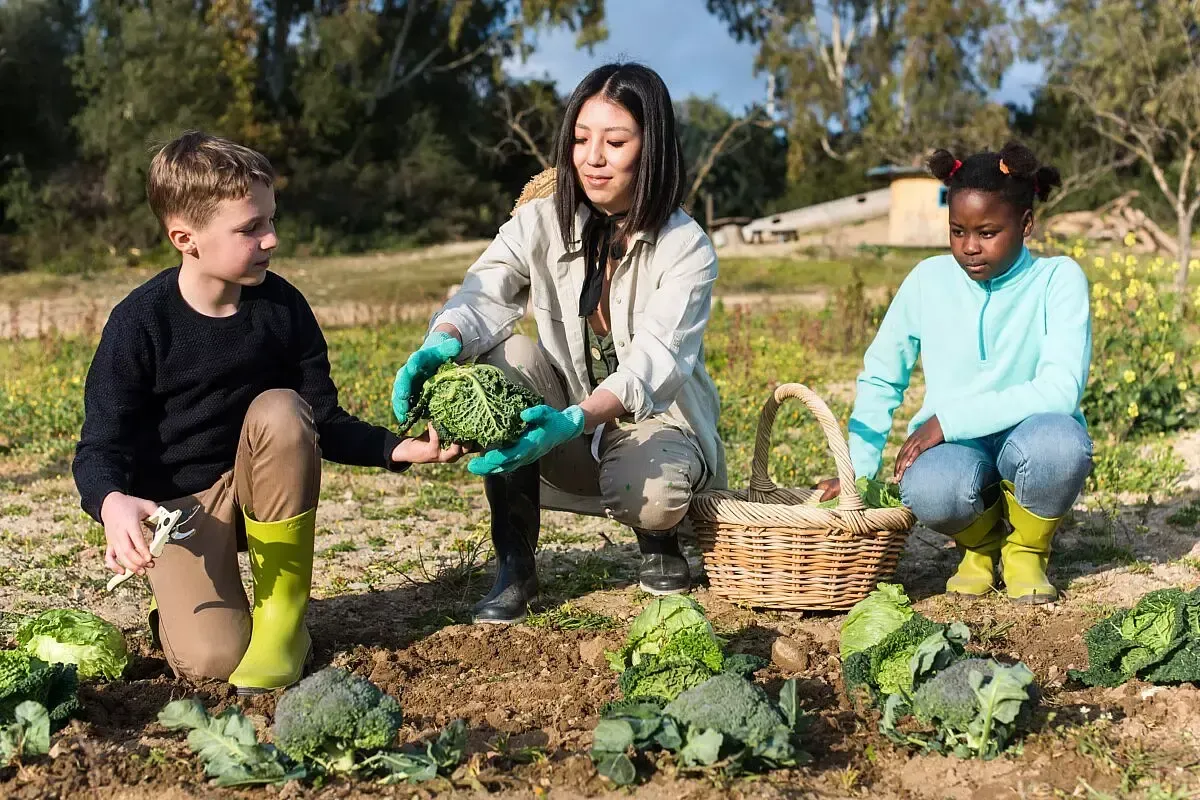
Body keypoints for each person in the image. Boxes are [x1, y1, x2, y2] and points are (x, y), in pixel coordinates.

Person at [72, 131, 463, 694]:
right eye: (250, 228)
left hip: (262, 486)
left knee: (282, 409)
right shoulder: (140, 323)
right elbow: (100, 445)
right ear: (186, 238)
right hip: (182, 511)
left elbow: (320, 420)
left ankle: (284, 620)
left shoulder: (283, 308)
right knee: (214, 661)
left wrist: (402, 448)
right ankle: (186, 620)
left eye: (270, 220)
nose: (271, 238)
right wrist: (112, 503)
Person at [390, 63, 726, 623]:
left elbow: (654, 362)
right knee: (508, 357)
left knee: (655, 496)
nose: (592, 157)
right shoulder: (538, 221)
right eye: (580, 139)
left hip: (653, 426)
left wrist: (574, 420)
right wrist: (443, 340)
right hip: (563, 428)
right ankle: (515, 564)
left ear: (652, 148)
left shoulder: (686, 247)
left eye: (615, 141)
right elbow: (483, 290)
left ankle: (657, 538)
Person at [818, 141, 1093, 604]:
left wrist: (948, 422)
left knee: (1061, 445)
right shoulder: (928, 280)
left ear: (1026, 224)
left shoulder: (1058, 280)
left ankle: (1027, 549)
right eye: (957, 231)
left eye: (988, 232)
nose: (969, 247)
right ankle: (981, 548)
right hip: (958, 452)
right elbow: (882, 377)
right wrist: (858, 475)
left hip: (1028, 436)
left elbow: (1060, 389)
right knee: (925, 485)